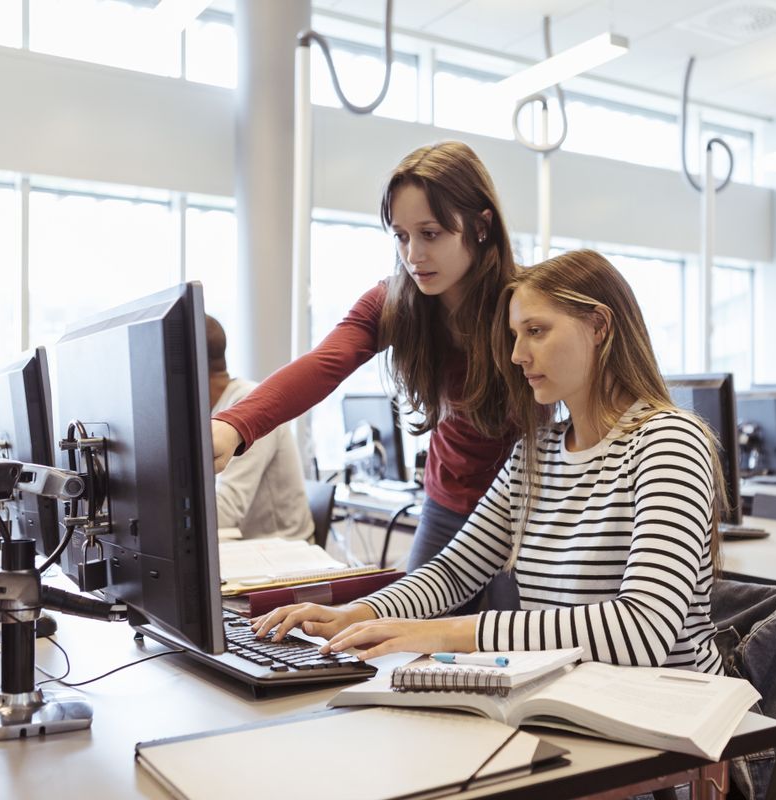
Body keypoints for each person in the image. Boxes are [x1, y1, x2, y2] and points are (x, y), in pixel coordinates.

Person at [249, 249, 728, 676]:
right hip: (577, 710)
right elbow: (455, 571)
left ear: (599, 326)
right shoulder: (537, 451)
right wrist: (360, 614)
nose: (518, 355)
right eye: (516, 336)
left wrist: (448, 633)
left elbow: (642, 631)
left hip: (668, 736)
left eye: (536, 332)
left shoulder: (668, 441)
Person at [211, 142, 519, 609]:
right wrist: (235, 424)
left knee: (511, 648)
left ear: (480, 226)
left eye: (431, 233)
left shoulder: (527, 305)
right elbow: (323, 364)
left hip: (522, 511)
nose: (413, 254)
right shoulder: (395, 303)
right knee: (411, 644)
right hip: (446, 504)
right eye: (401, 235)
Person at [206, 314, 313, 541]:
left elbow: (226, 511)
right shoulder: (214, 410)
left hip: (284, 551)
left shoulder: (249, 406)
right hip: (247, 545)